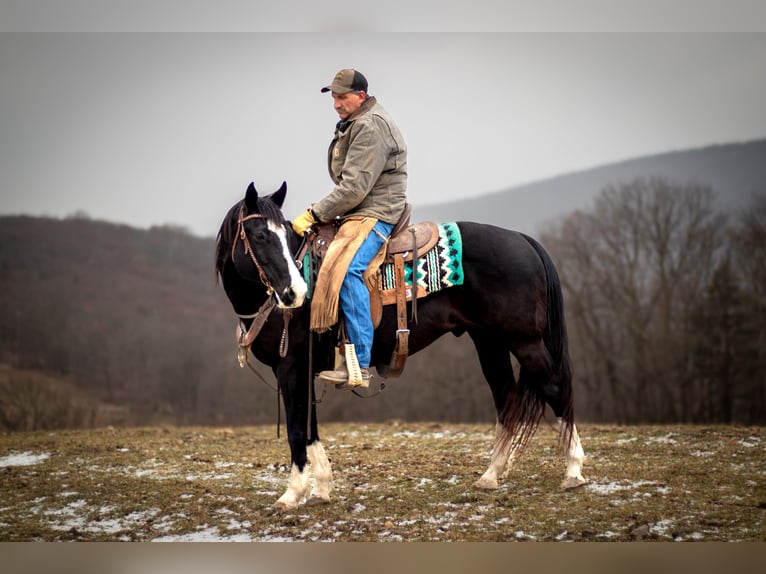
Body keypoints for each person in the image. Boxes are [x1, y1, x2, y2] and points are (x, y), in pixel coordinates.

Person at [292, 68, 408, 388]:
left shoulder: (370, 127)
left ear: (360, 95)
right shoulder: (354, 123)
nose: (336, 104)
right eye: (333, 97)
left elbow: (354, 189)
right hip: (359, 211)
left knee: (348, 270)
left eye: (342, 97)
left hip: (376, 213)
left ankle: (359, 363)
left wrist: (314, 214)